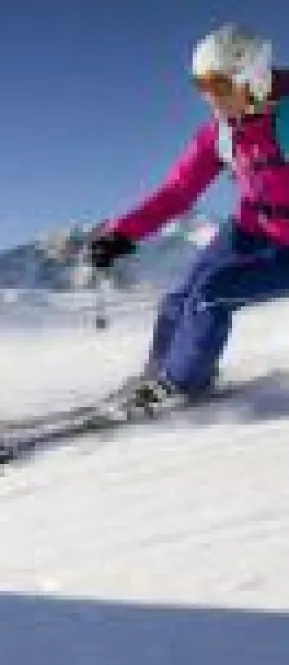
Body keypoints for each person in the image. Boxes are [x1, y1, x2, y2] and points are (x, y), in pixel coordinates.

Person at [89, 24, 289, 413]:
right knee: (180, 299)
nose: (212, 98)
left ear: (254, 78)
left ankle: (182, 384)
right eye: (203, 86)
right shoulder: (223, 132)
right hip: (251, 230)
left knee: (211, 296)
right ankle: (159, 374)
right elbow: (178, 191)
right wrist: (122, 234)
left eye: (221, 86)